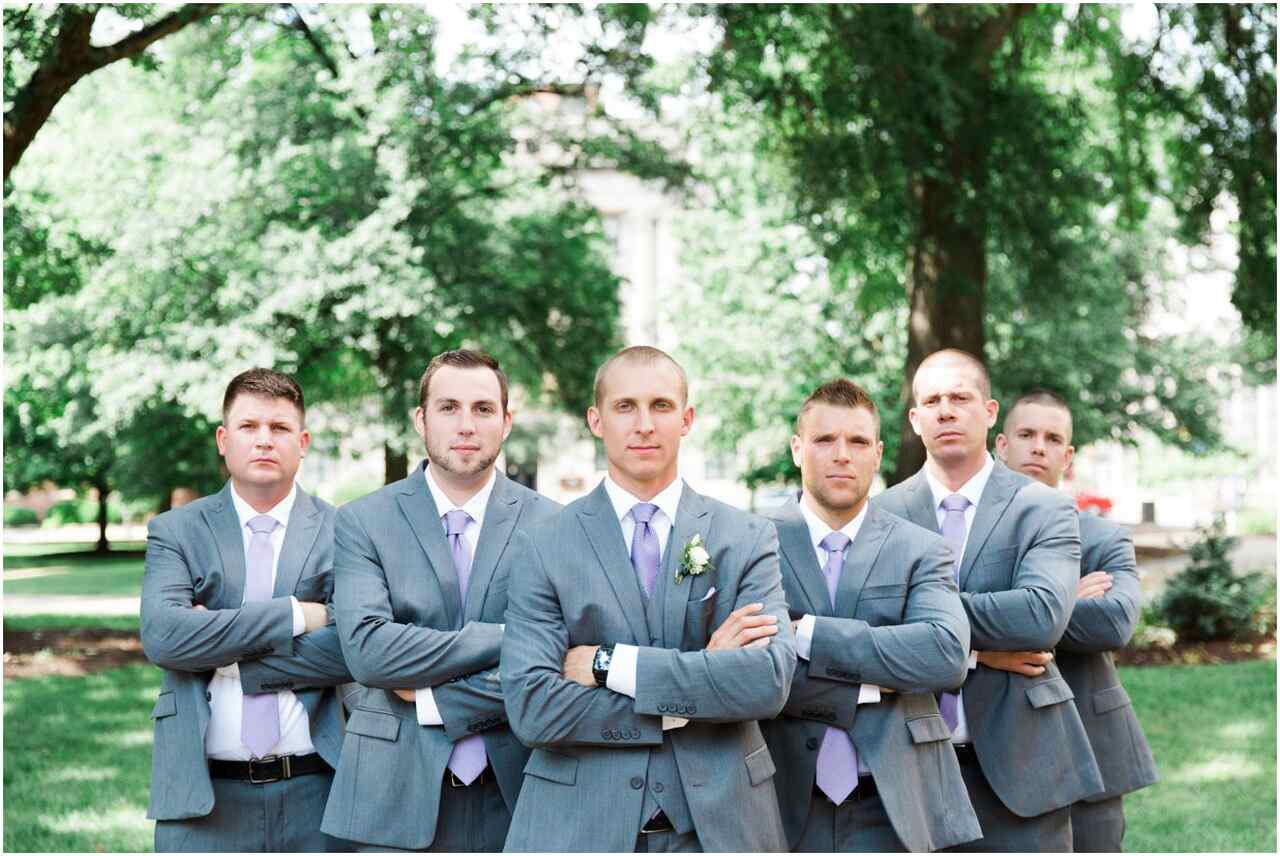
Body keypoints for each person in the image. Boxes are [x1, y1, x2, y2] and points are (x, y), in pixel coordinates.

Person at [501, 345, 795, 852]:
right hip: (579, 825)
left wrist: (609, 664)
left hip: (721, 826)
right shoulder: (544, 544)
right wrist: (699, 680)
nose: (644, 425)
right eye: (625, 407)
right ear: (596, 420)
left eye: (660, 406)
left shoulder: (746, 536)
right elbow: (534, 708)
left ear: (687, 419)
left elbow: (765, 683)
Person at [321, 349, 559, 851]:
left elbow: (561, 664)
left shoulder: (557, 527)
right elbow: (369, 653)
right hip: (391, 792)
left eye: (483, 409)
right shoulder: (362, 522)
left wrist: (431, 693)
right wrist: (509, 638)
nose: (466, 425)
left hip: (523, 791)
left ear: (507, 421)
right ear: (421, 419)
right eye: (449, 407)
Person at [874, 349, 1103, 851]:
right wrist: (978, 652)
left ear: (991, 411)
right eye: (932, 400)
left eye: (960, 397)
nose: (946, 410)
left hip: (1024, 766)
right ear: (915, 419)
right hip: (906, 769)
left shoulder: (1042, 508)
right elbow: (860, 625)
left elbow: (1041, 615)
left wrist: (920, 621)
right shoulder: (879, 515)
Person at [761, 379, 980, 852]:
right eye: (825, 440)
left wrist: (808, 636)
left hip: (898, 800)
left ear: (877, 453)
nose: (842, 454)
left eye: (858, 441)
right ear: (798, 448)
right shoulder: (752, 544)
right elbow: (749, 671)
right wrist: (876, 682)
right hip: (779, 799)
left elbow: (944, 657)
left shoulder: (922, 549)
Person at [141, 368, 351, 852]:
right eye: (248, 427)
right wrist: (298, 616)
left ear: (302, 442)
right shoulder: (176, 532)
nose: (264, 440)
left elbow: (351, 649)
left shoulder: (345, 532)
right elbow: (164, 637)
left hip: (320, 794)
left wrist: (219, 650)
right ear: (223, 439)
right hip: (203, 801)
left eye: (279, 429)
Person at [992, 389, 1158, 851]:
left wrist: (1011, 607)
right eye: (1025, 434)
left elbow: (1114, 622)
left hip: (1092, 747)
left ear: (1067, 456)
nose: (1037, 446)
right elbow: (948, 618)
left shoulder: (1103, 537)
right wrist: (1065, 597)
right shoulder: (971, 538)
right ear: (1001, 446)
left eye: (1052, 438)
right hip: (996, 753)